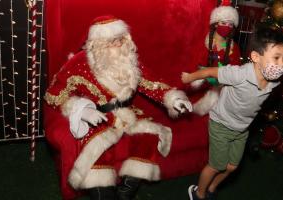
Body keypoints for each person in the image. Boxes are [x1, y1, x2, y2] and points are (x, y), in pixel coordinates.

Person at [44, 15, 192, 200]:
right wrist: (82, 110)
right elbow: (53, 94)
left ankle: (125, 192)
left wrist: (173, 99)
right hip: (98, 117)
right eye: (112, 41)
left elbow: (152, 83)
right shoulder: (80, 62)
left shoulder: (129, 60)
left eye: (121, 39)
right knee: (96, 151)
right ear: (98, 44)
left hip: (126, 115)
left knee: (148, 136)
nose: (119, 44)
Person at [181, 26, 283, 200]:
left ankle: (212, 188)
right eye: (276, 57)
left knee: (231, 167)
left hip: (241, 129)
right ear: (255, 57)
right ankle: (198, 193)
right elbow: (210, 71)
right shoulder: (240, 74)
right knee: (216, 166)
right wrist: (189, 77)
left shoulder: (274, 82)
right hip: (221, 124)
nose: (281, 64)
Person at [191, 0, 241, 116]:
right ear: (216, 23)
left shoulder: (234, 48)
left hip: (221, 91)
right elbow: (193, 63)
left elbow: (236, 72)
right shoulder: (204, 43)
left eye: (230, 24)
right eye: (223, 22)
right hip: (199, 86)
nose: (227, 27)